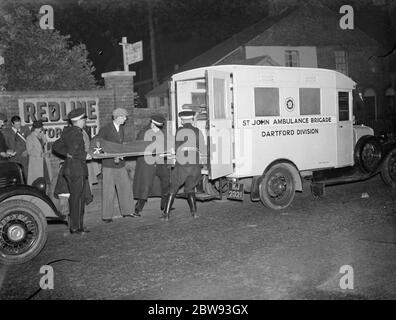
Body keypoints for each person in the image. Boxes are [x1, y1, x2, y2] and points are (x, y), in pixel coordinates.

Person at [162, 110, 206, 220]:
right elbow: (203, 149)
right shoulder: (198, 131)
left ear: (182, 120)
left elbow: (175, 146)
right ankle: (194, 213)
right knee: (190, 189)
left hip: (183, 164)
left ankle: (166, 215)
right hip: (195, 165)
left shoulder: (180, 131)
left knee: (173, 187)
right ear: (192, 120)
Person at [52, 108, 91, 234]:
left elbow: (56, 146)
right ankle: (76, 227)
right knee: (77, 198)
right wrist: (85, 156)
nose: (85, 121)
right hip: (77, 170)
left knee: (75, 198)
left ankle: (76, 225)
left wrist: (68, 155)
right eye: (84, 119)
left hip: (69, 169)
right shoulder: (77, 133)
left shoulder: (67, 131)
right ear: (79, 120)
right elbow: (75, 150)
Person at [92, 108, 134, 222]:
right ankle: (107, 216)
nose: (125, 119)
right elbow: (96, 142)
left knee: (125, 187)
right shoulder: (106, 129)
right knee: (108, 191)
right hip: (109, 164)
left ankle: (127, 211)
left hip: (120, 164)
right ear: (117, 117)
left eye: (125, 117)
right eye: (124, 117)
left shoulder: (121, 129)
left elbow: (118, 146)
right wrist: (104, 152)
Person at [133, 114, 171, 216]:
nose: (159, 129)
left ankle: (165, 205)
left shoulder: (160, 132)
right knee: (145, 185)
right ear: (152, 124)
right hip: (147, 163)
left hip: (159, 161)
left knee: (166, 179)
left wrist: (168, 150)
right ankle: (138, 209)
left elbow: (164, 144)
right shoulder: (143, 133)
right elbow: (141, 147)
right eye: (157, 127)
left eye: (160, 127)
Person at [26, 120, 50, 185]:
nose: (40, 129)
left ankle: (46, 193)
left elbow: (45, 146)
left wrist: (47, 152)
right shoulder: (29, 138)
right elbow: (29, 151)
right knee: (37, 181)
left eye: (41, 128)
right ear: (35, 128)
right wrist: (40, 154)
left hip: (44, 160)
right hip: (36, 162)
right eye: (39, 128)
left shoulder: (42, 136)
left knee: (46, 179)